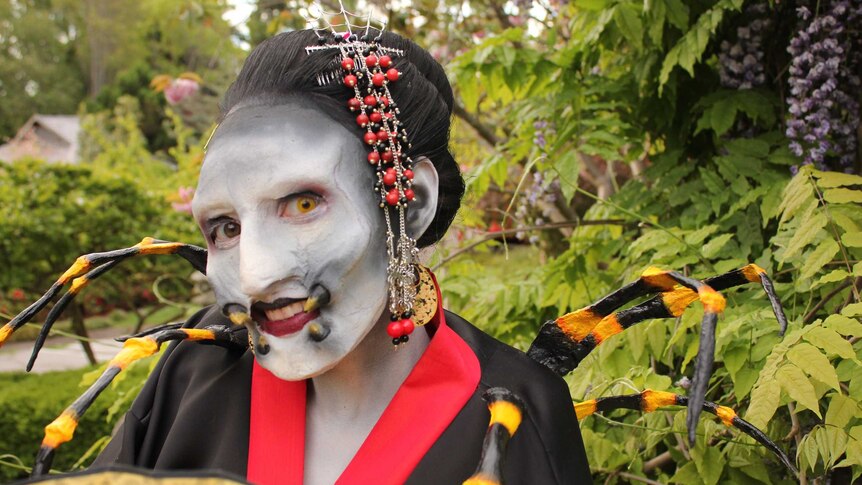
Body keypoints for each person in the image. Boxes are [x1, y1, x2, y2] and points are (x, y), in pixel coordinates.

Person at [91, 28, 592, 485]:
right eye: (226, 229)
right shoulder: (196, 369)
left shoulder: (515, 413)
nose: (254, 275)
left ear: (409, 202)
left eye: (303, 205)